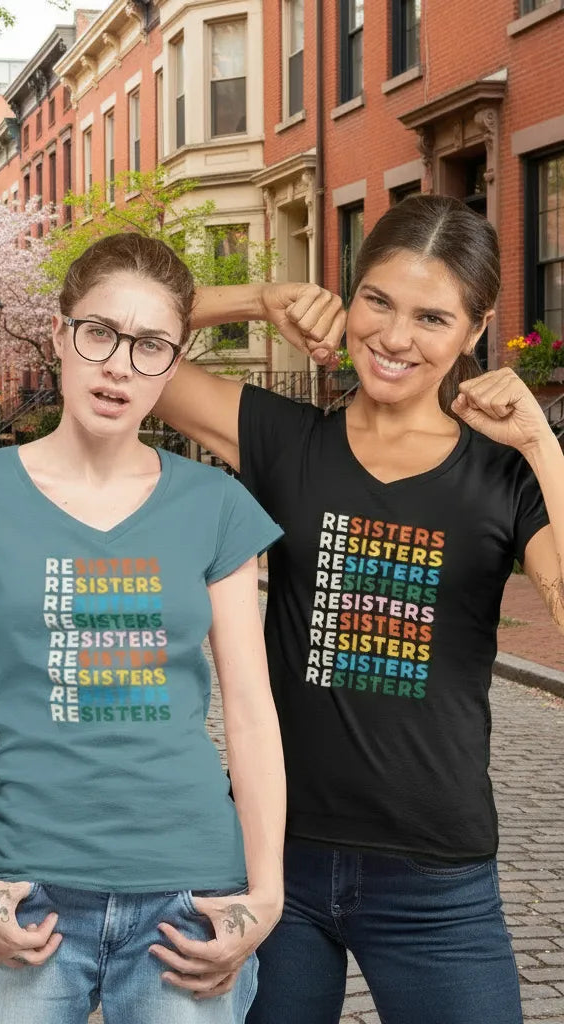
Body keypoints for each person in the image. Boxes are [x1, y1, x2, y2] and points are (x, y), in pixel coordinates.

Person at [155, 194, 564, 1024]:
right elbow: (116, 335)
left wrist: (543, 446)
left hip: (436, 877)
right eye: (377, 300)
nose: (395, 337)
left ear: (474, 329)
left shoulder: (505, 477)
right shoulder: (284, 439)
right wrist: (260, 296)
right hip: (274, 864)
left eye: (432, 317)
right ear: (348, 295)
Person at [0, 232, 285, 1024]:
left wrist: (266, 889)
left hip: (192, 896)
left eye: (151, 346)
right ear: (60, 336)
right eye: (101, 333)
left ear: (172, 367)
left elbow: (250, 710)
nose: (119, 365)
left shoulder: (214, 507)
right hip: (24, 892)